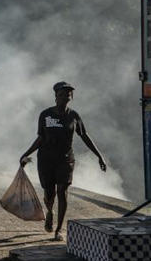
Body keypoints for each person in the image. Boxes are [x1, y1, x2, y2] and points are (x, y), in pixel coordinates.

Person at [20, 81, 107, 241]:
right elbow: (41, 138)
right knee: (49, 193)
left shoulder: (73, 116)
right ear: (56, 96)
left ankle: (59, 229)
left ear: (71, 97)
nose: (66, 95)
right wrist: (26, 154)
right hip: (46, 159)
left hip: (65, 160)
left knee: (63, 192)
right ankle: (50, 211)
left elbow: (85, 136)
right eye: (63, 93)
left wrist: (99, 155)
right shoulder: (45, 115)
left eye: (69, 93)